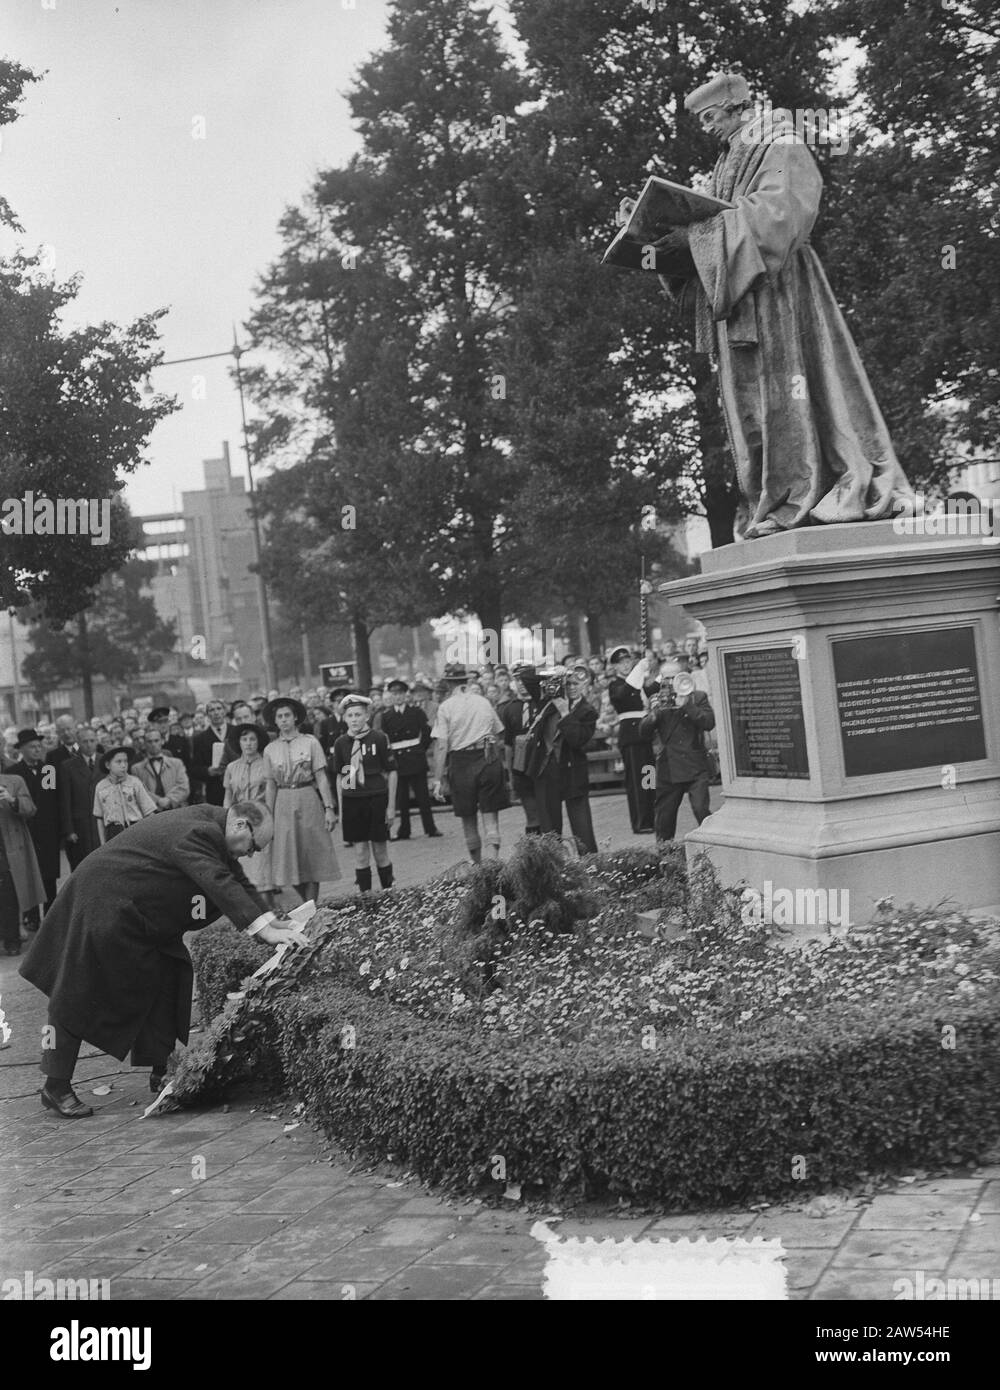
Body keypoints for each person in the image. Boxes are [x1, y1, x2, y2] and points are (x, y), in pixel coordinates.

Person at [654, 71, 912, 539]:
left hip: (781, 289)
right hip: (743, 297)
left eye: (711, 116)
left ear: (735, 107)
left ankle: (809, 492)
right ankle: (779, 498)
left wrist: (697, 237)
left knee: (794, 386)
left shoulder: (779, 139)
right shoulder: (731, 156)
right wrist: (671, 244)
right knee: (757, 400)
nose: (707, 127)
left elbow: (783, 211)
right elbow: (724, 218)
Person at [19, 802, 307, 1118]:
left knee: (170, 971)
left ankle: (160, 1071)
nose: (251, 855)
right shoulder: (199, 831)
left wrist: (269, 920)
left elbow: (234, 878)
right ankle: (55, 1085)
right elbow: (215, 879)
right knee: (77, 991)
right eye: (253, 847)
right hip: (103, 903)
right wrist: (264, 932)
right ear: (240, 825)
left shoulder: (215, 826)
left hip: (136, 908)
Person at [261, 696, 340, 905]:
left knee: (311, 855)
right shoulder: (270, 749)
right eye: (280, 716)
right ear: (275, 721)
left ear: (296, 718)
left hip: (307, 797)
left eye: (288, 715)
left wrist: (329, 808)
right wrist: (268, 815)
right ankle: (308, 905)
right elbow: (270, 784)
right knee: (288, 856)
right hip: (283, 801)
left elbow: (321, 777)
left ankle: (310, 907)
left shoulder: (310, 742)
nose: (284, 720)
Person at [430, 663, 506, 863]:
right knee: (490, 816)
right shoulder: (483, 702)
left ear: (447, 683)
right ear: (467, 680)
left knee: (468, 817)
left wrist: (437, 780)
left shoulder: (445, 707)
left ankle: (478, 866)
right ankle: (494, 862)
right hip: (487, 758)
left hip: (461, 762)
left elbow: (441, 746)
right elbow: (499, 732)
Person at [639, 662, 716, 842]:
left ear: (683, 676)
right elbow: (643, 733)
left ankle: (714, 845)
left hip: (695, 765)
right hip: (669, 768)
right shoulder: (658, 700)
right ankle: (666, 858)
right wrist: (653, 714)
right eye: (666, 677)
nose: (670, 681)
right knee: (664, 818)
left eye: (674, 676)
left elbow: (708, 722)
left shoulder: (697, 697)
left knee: (701, 810)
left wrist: (688, 705)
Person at [332, 695, 398, 897]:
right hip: (353, 801)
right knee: (360, 852)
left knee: (380, 850)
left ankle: (388, 893)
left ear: (367, 716)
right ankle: (366, 897)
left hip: (376, 798)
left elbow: (392, 771)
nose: (354, 719)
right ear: (344, 718)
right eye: (350, 715)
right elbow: (341, 775)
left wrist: (391, 807)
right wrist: (341, 809)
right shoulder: (341, 743)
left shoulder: (378, 738)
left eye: (358, 714)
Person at [527, 669, 599, 853]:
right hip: (546, 770)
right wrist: (552, 671)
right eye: (568, 684)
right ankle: (554, 868)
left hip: (573, 772)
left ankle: (591, 866)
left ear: (584, 685)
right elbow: (527, 677)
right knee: (550, 830)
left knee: (582, 828)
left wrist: (566, 713)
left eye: (576, 683)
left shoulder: (588, 711)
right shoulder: (547, 702)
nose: (572, 688)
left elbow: (578, 740)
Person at [13, 730, 62, 928]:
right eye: (32, 747)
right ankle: (32, 917)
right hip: (25, 831)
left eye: (38, 746)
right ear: (22, 749)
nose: (37, 750)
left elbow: (50, 799)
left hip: (47, 830)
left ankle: (50, 915)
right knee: (29, 874)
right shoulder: (14, 772)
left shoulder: (47, 770)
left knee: (49, 875)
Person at [379, 679, 440, 840]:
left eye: (400, 694)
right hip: (398, 760)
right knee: (402, 798)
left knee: (423, 797)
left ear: (406, 695)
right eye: (394, 694)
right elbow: (384, 739)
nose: (397, 697)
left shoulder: (416, 712)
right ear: (390, 696)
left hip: (415, 757)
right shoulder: (386, 716)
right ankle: (404, 831)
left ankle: (430, 828)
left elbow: (426, 733)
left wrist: (420, 749)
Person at [606, 647, 657, 834]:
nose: (626, 665)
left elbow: (652, 690)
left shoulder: (638, 682)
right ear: (615, 666)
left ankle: (653, 816)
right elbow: (624, 693)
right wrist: (638, 671)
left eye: (629, 662)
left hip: (645, 735)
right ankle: (641, 821)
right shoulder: (615, 685)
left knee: (649, 777)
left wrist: (661, 676)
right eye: (621, 663)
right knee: (637, 782)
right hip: (631, 737)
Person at [222, 724, 273, 893]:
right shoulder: (232, 767)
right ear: (239, 743)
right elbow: (228, 795)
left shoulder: (267, 763)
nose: (249, 743)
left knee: (263, 869)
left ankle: (271, 908)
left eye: (252, 739)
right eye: (244, 739)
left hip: (261, 818)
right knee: (245, 867)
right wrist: (225, 817)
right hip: (239, 820)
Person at [0, 767, 45, 954]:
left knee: (9, 890)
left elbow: (31, 809)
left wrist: (11, 799)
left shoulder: (14, 781)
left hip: (8, 845)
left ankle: (12, 941)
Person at [501, 663, 544, 836]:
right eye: (517, 679)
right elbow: (508, 744)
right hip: (521, 766)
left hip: (541, 763)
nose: (520, 684)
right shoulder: (510, 708)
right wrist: (511, 773)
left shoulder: (542, 704)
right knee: (530, 812)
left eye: (524, 679)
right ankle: (533, 850)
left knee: (546, 810)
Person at [58, 726, 103, 869]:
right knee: (83, 866)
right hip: (81, 825)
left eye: (92, 740)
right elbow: (65, 800)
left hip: (102, 822)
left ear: (97, 741)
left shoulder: (106, 762)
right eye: (84, 741)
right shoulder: (67, 766)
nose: (89, 744)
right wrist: (69, 830)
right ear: (78, 743)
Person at [93, 747, 158, 844]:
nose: (123, 765)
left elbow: (149, 812)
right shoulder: (101, 787)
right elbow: (100, 819)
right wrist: (103, 844)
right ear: (107, 765)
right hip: (113, 833)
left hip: (136, 829)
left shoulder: (134, 782)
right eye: (118, 762)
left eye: (125, 761)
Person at [191, 697, 239, 806]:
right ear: (207, 715)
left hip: (238, 786)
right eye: (212, 710)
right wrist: (208, 771)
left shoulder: (236, 732)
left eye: (218, 708)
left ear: (224, 711)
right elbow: (194, 768)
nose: (216, 713)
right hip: (215, 790)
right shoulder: (200, 739)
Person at [132, 726, 190, 812]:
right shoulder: (137, 769)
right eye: (149, 742)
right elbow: (140, 791)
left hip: (177, 809)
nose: (153, 744)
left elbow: (184, 787)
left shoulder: (176, 763)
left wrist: (169, 799)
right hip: (153, 813)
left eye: (156, 740)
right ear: (144, 744)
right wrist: (158, 800)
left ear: (162, 741)